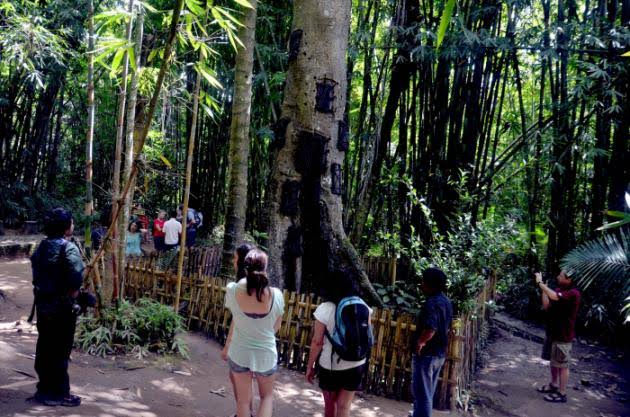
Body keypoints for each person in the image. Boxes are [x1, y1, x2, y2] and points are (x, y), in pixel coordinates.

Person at [30, 208, 85, 407]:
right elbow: (76, 278)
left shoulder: (41, 246)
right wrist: (76, 295)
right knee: (60, 350)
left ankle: (43, 390)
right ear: (66, 226)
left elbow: (37, 273)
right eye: (71, 221)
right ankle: (60, 393)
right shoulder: (68, 248)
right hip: (63, 308)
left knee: (45, 346)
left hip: (43, 306)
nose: (73, 224)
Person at [221, 249, 284, 417]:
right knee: (267, 398)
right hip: (266, 354)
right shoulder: (277, 295)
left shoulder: (232, 290)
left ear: (245, 267)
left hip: (239, 352)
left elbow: (235, 316)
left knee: (242, 401)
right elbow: (276, 325)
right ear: (265, 267)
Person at [305, 271, 373, 417]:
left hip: (331, 367)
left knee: (330, 406)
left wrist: (310, 366)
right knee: (344, 408)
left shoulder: (325, 308)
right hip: (356, 364)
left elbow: (317, 342)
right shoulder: (363, 306)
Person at [410, 267, 453, 417]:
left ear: (430, 284)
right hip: (439, 354)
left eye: (423, 281)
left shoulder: (431, 303)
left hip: (427, 354)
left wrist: (420, 342)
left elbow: (431, 328)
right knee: (428, 392)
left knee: (422, 395)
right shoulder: (446, 301)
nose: (421, 284)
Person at [535, 270, 580, 403]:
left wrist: (540, 283)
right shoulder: (560, 290)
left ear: (569, 279)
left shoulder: (573, 293)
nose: (557, 276)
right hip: (553, 333)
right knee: (554, 362)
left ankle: (562, 393)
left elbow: (554, 296)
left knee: (562, 365)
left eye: (560, 275)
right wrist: (544, 289)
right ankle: (553, 385)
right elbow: (547, 305)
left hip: (563, 335)